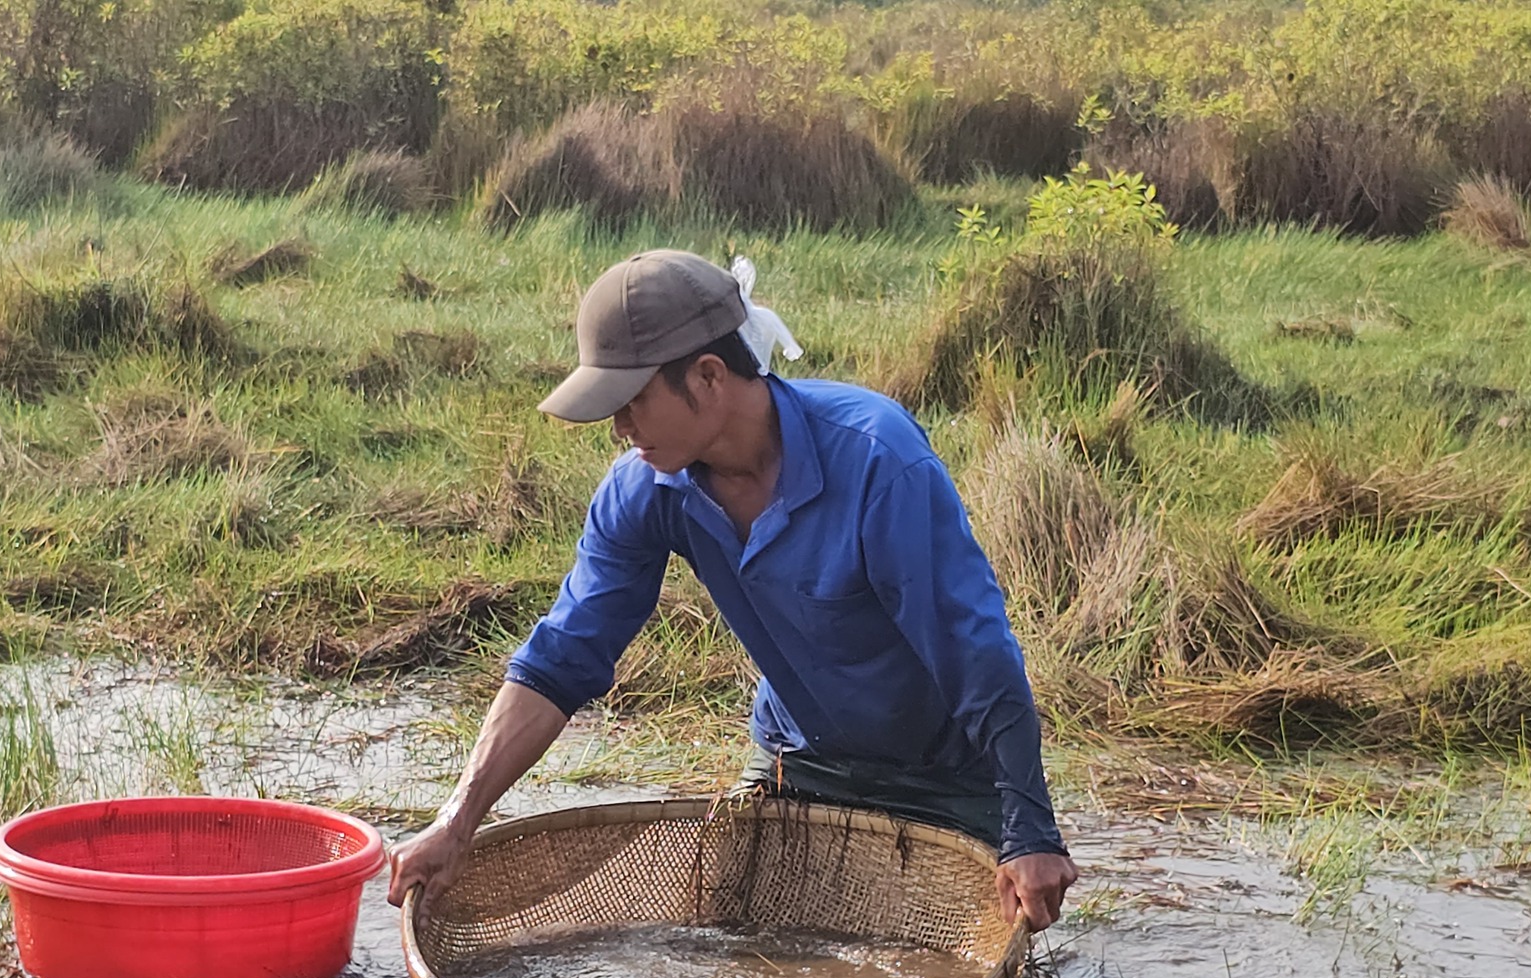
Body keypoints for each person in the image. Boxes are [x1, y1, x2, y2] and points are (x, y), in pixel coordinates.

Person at [385, 249, 1078, 928]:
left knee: (965, 969)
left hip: (948, 773)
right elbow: (559, 660)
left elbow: (973, 650)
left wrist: (1030, 829)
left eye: (632, 401)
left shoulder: (876, 461)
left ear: (709, 376)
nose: (620, 429)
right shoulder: (646, 489)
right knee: (736, 943)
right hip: (799, 760)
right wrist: (457, 820)